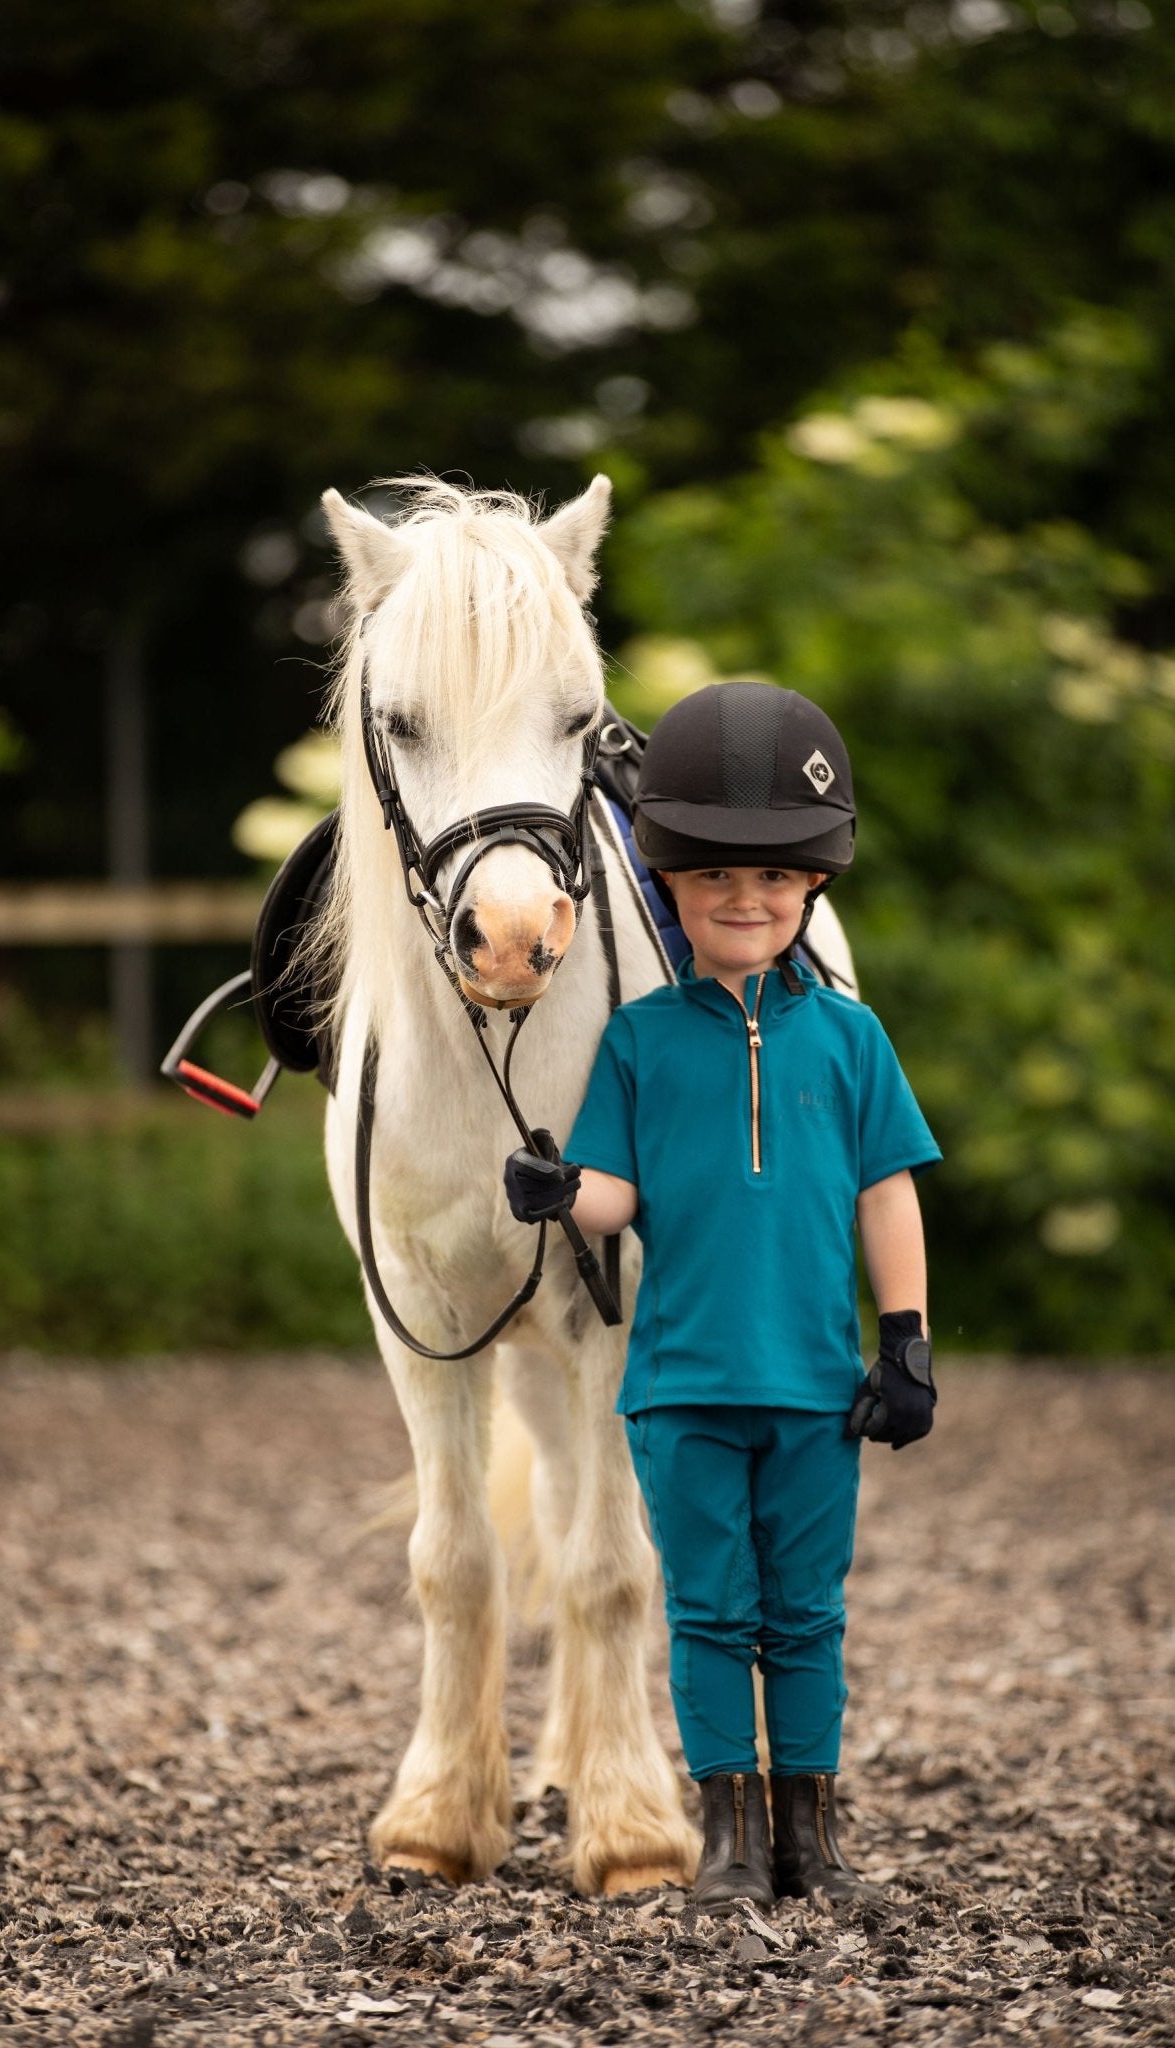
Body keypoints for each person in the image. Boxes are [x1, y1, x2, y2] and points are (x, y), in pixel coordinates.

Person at [504, 681, 940, 1911]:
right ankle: (730, 1831)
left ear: (813, 889)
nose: (743, 900)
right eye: (710, 881)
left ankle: (811, 1827)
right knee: (707, 1612)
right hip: (683, 1388)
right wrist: (555, 1186)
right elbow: (614, 1191)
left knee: (807, 1611)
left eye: (772, 879)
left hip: (815, 1389)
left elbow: (888, 1196)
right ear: (670, 890)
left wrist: (902, 1340)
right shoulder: (640, 1039)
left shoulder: (853, 1040)